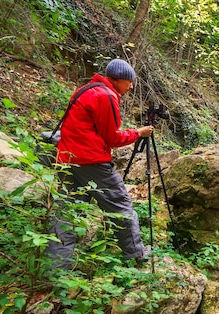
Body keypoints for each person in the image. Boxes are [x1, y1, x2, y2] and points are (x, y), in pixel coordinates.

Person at [47, 58, 153, 269]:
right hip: (91, 161)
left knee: (67, 212)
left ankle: (56, 268)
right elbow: (113, 138)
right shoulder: (106, 96)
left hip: (67, 159)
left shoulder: (86, 89)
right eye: (129, 82)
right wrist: (138, 133)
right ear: (119, 79)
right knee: (120, 205)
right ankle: (136, 254)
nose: (131, 86)